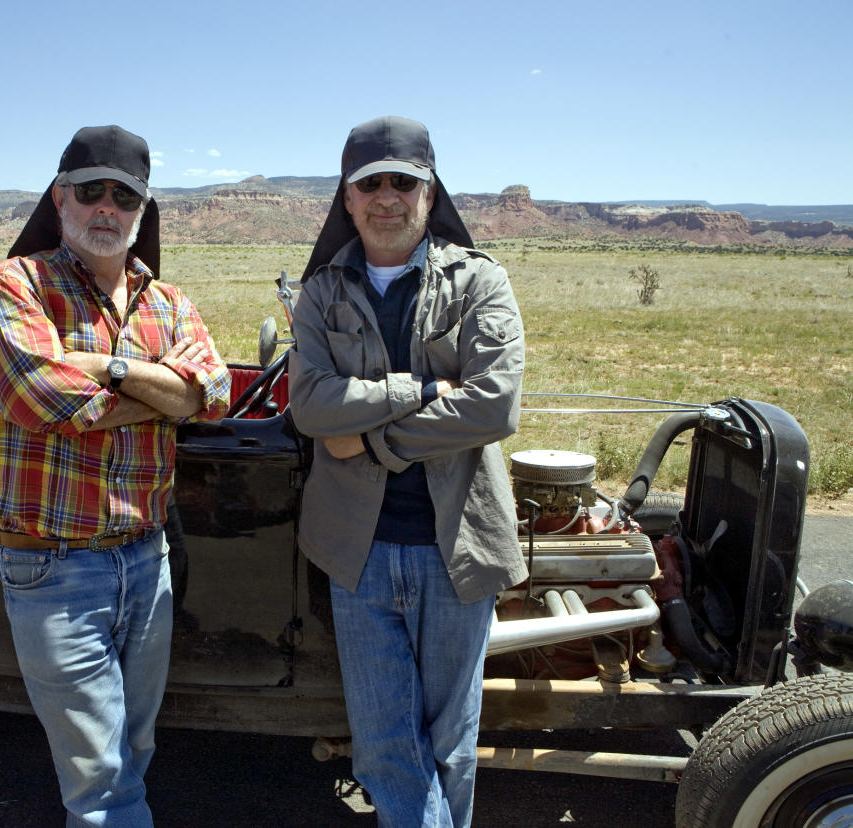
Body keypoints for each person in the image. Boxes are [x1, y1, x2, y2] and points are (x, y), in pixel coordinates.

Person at [0, 124, 231, 826]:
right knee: (103, 778)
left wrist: (108, 369)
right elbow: (39, 398)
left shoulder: (168, 301)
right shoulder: (15, 286)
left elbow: (211, 392)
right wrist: (159, 398)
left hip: (148, 562)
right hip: (52, 568)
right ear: (61, 199)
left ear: (143, 211)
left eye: (125, 196)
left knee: (132, 749)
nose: (107, 208)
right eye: (92, 192)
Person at [288, 116, 527, 827]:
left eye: (404, 182)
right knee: (387, 745)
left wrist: (372, 443)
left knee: (450, 742)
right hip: (356, 553)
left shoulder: (479, 281)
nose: (387, 196)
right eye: (371, 183)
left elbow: (493, 405)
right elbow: (309, 404)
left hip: (455, 548)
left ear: (429, 192)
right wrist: (419, 391)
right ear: (348, 196)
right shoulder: (322, 291)